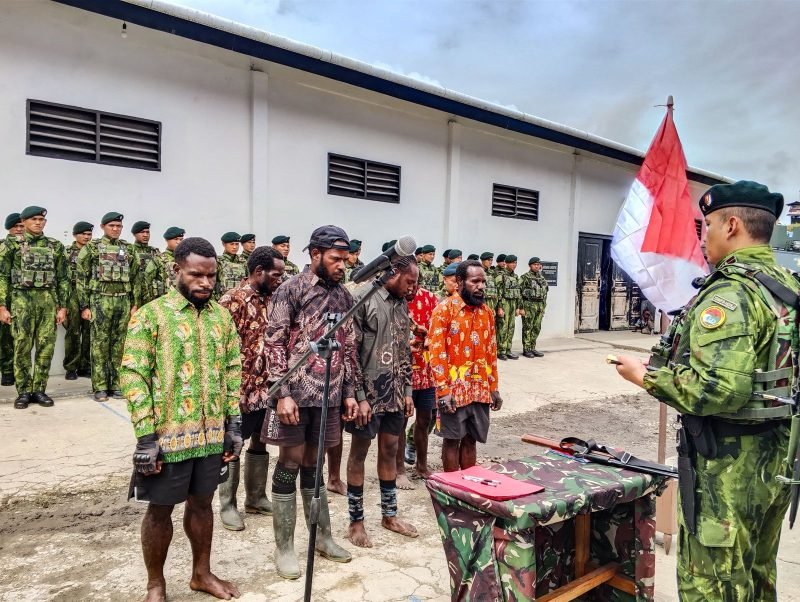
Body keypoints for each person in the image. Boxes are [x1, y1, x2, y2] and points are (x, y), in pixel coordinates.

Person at [613, 181, 797, 601]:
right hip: (776, 457)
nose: (702, 235)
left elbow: (719, 390)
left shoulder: (732, 293)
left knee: (711, 584)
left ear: (732, 225)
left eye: (707, 224)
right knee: (755, 572)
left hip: (728, 466)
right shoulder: (786, 284)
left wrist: (644, 375)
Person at [121, 237, 242, 602]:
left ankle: (201, 574)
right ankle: (155, 584)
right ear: (177, 271)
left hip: (209, 436)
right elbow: (133, 375)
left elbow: (233, 370)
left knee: (203, 504)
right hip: (166, 437)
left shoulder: (222, 317)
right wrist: (145, 436)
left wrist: (233, 424)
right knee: (160, 511)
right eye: (196, 275)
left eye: (211, 276)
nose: (205, 283)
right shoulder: (151, 315)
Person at [261, 225, 358, 579]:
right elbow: (272, 343)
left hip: (329, 395)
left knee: (315, 464)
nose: (341, 266)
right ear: (315, 254)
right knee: (290, 461)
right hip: (295, 396)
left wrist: (349, 393)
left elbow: (348, 348)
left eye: (345, 260)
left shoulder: (345, 296)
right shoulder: (291, 290)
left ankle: (323, 538)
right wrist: (281, 392)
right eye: (335, 259)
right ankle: (284, 548)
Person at [345, 257, 418, 548]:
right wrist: (360, 397)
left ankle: (389, 515)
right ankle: (356, 521)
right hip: (368, 397)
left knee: (389, 450)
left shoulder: (402, 303)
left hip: (396, 394)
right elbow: (350, 354)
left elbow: (405, 351)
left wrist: (409, 390)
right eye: (409, 281)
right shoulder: (362, 298)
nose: (413, 288)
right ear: (394, 273)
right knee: (359, 454)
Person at [216, 246, 286, 531]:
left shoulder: (277, 299)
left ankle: (256, 497)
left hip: (268, 387)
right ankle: (228, 504)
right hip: (240, 388)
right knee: (234, 443)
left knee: (261, 439)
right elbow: (217, 346)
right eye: (276, 274)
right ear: (259, 272)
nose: (280, 279)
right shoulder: (233, 300)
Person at [428, 260, 502, 471]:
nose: (480, 286)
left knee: (471, 439)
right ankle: (452, 492)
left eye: (483, 282)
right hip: (453, 391)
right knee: (452, 440)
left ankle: (468, 489)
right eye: (475, 281)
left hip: (479, 389)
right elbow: (436, 353)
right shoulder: (444, 310)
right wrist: (443, 391)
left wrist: (493, 387)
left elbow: (491, 353)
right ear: (459, 282)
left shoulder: (486, 312)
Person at [0, 206, 69, 409]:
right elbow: (2, 276)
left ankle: (39, 390)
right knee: (22, 347)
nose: (38, 222)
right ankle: (23, 392)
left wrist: (62, 306)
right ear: (24, 222)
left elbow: (63, 278)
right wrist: (2, 306)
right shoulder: (11, 245)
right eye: (34, 219)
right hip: (21, 302)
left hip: (47, 302)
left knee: (45, 348)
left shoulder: (54, 246)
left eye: (41, 219)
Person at [76, 211, 141, 402]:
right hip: (100, 301)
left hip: (122, 301)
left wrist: (135, 303)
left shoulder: (128, 249)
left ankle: (116, 384)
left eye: (119, 226)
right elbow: (81, 277)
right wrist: (84, 305)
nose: (115, 229)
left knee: (120, 345)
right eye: (112, 226)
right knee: (99, 345)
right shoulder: (93, 248)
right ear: (103, 227)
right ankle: (100, 386)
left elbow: (137, 277)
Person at [400, 274, 440, 480]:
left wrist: (430, 340)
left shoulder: (431, 299)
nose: (411, 288)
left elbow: (439, 329)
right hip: (402, 373)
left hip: (426, 370)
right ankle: (398, 469)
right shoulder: (394, 299)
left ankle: (421, 466)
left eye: (415, 284)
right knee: (399, 421)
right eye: (409, 283)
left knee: (425, 419)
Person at [63, 221, 94, 380]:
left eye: (89, 234)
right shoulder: (67, 252)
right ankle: (71, 367)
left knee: (89, 332)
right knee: (73, 331)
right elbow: (61, 276)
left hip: (90, 292)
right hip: (73, 293)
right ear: (75, 235)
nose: (87, 237)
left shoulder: (94, 252)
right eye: (83, 234)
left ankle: (85, 366)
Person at [0, 213, 25, 386]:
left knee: (22, 337)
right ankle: (7, 371)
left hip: (22, 298)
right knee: (5, 338)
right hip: (4, 297)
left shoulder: (28, 246)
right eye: (15, 226)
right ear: (9, 228)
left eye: (21, 226)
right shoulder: (3, 246)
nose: (19, 229)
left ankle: (20, 371)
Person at [519, 257, 549, 358]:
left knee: (536, 327)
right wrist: (521, 307)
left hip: (539, 305)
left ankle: (532, 347)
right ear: (530, 266)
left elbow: (545, 294)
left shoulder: (542, 278)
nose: (537, 266)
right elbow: (519, 293)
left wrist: (543, 307)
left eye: (538, 264)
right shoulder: (525, 277)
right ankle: (526, 349)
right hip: (529, 305)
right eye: (534, 264)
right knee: (528, 327)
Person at [495, 254, 521, 360]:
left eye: (515, 263)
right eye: (512, 263)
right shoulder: (501, 276)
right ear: (507, 263)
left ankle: (508, 350)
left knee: (511, 327)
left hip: (513, 303)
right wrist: (500, 307)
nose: (514, 265)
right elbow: (498, 292)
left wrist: (518, 307)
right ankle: (501, 350)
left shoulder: (515, 276)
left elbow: (518, 292)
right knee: (502, 327)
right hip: (504, 303)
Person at [132, 221, 163, 306]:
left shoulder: (155, 252)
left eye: (147, 232)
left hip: (153, 296)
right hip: (135, 297)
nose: (145, 235)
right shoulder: (130, 251)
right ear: (134, 234)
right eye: (142, 232)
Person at [215, 232, 245, 299]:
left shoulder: (243, 261)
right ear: (223, 244)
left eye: (237, 244)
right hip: (221, 300)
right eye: (231, 244)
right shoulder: (218, 261)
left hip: (239, 299)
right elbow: (212, 282)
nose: (234, 247)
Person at [157, 226, 185, 294]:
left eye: (181, 239)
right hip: (166, 299)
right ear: (167, 240)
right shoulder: (159, 259)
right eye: (176, 239)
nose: (179, 242)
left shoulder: (186, 259)